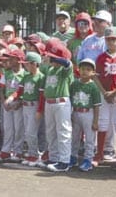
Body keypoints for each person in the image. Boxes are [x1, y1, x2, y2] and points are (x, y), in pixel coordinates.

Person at [94, 27, 116, 166]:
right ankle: (100, 153)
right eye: (108, 39)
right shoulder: (101, 57)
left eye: (114, 39)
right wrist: (104, 92)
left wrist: (114, 92)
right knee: (103, 122)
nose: (111, 42)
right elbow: (96, 77)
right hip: (104, 94)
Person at [41, 39, 75, 172]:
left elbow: (68, 64)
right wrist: (50, 57)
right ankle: (53, 157)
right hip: (49, 103)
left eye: (53, 58)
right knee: (50, 132)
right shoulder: (50, 69)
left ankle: (64, 161)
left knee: (63, 132)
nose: (50, 59)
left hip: (61, 103)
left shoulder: (64, 69)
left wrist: (56, 56)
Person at [69, 59, 102, 172]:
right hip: (76, 112)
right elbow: (70, 99)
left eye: (88, 70)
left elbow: (97, 106)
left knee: (89, 138)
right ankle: (73, 157)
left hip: (88, 113)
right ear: (79, 70)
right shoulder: (74, 84)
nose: (85, 72)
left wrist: (95, 121)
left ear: (93, 72)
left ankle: (88, 159)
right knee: (74, 137)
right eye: (83, 69)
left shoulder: (93, 87)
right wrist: (70, 114)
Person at [0, 49, 26, 162]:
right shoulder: (7, 73)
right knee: (7, 128)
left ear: (19, 60)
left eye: (13, 58)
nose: (10, 60)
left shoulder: (25, 74)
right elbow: (1, 90)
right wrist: (3, 102)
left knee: (18, 128)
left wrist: (20, 102)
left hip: (19, 104)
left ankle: (18, 151)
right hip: (7, 103)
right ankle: (6, 151)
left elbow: (25, 91)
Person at [17, 52, 46, 167]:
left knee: (31, 132)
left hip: (34, 105)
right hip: (25, 105)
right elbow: (20, 91)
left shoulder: (41, 77)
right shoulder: (26, 76)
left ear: (34, 64)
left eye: (27, 64)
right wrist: (13, 99)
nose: (25, 66)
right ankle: (31, 153)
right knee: (27, 132)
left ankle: (35, 155)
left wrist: (39, 110)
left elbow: (42, 96)